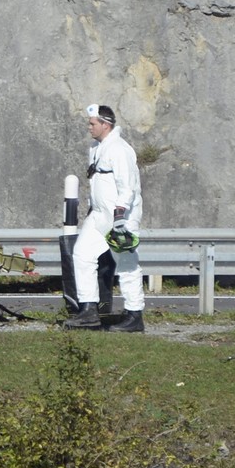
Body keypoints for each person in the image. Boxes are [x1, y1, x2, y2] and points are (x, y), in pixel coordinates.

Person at [63, 104, 146, 332]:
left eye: (92, 124)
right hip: (99, 216)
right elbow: (97, 183)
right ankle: (89, 310)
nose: (89, 127)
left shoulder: (119, 150)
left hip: (120, 217)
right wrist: (92, 208)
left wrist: (120, 215)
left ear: (105, 124)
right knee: (82, 255)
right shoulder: (96, 148)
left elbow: (127, 186)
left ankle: (134, 315)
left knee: (127, 265)